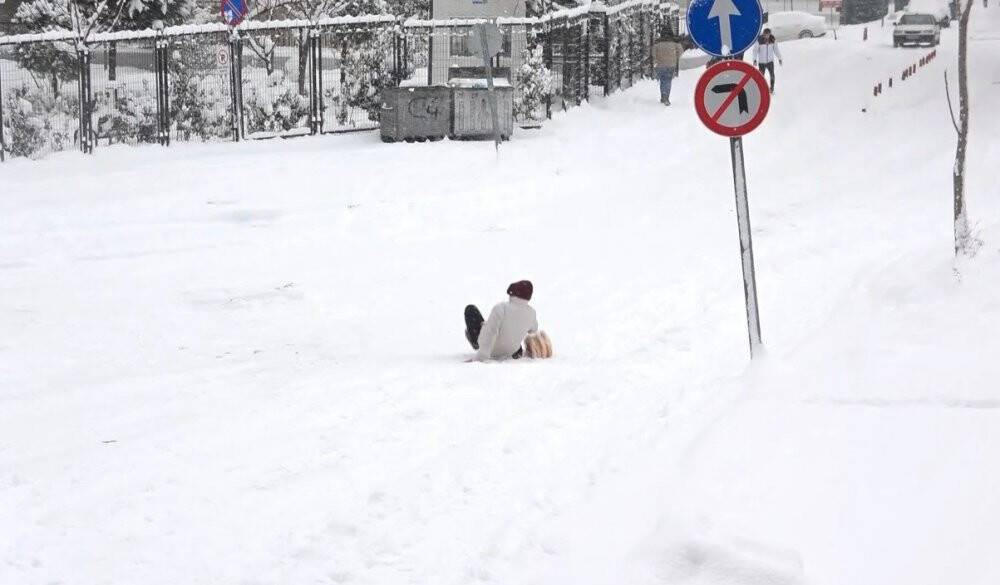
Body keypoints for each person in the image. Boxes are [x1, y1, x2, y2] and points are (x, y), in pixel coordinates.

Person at [464, 280, 539, 361]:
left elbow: (491, 332)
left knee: (470, 309)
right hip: (511, 351)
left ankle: (476, 343)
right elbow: (534, 330)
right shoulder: (532, 313)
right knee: (512, 331)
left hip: (491, 349)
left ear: (512, 293)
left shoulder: (501, 308)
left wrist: (481, 356)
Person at [652, 30, 684, 105]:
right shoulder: (675, 43)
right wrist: (675, 58)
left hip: (660, 65)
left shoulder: (658, 43)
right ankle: (666, 98)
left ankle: (663, 96)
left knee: (663, 80)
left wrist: (657, 59)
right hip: (671, 65)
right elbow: (681, 51)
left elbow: (653, 53)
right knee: (667, 81)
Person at [752, 28, 783, 94]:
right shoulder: (759, 40)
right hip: (762, 62)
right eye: (765, 35)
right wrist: (754, 59)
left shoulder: (772, 39)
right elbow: (755, 50)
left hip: (770, 61)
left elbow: (776, 50)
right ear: (763, 34)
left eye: (768, 35)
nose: (766, 36)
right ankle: (761, 90)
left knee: (772, 75)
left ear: (770, 34)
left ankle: (772, 89)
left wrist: (779, 58)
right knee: (761, 77)